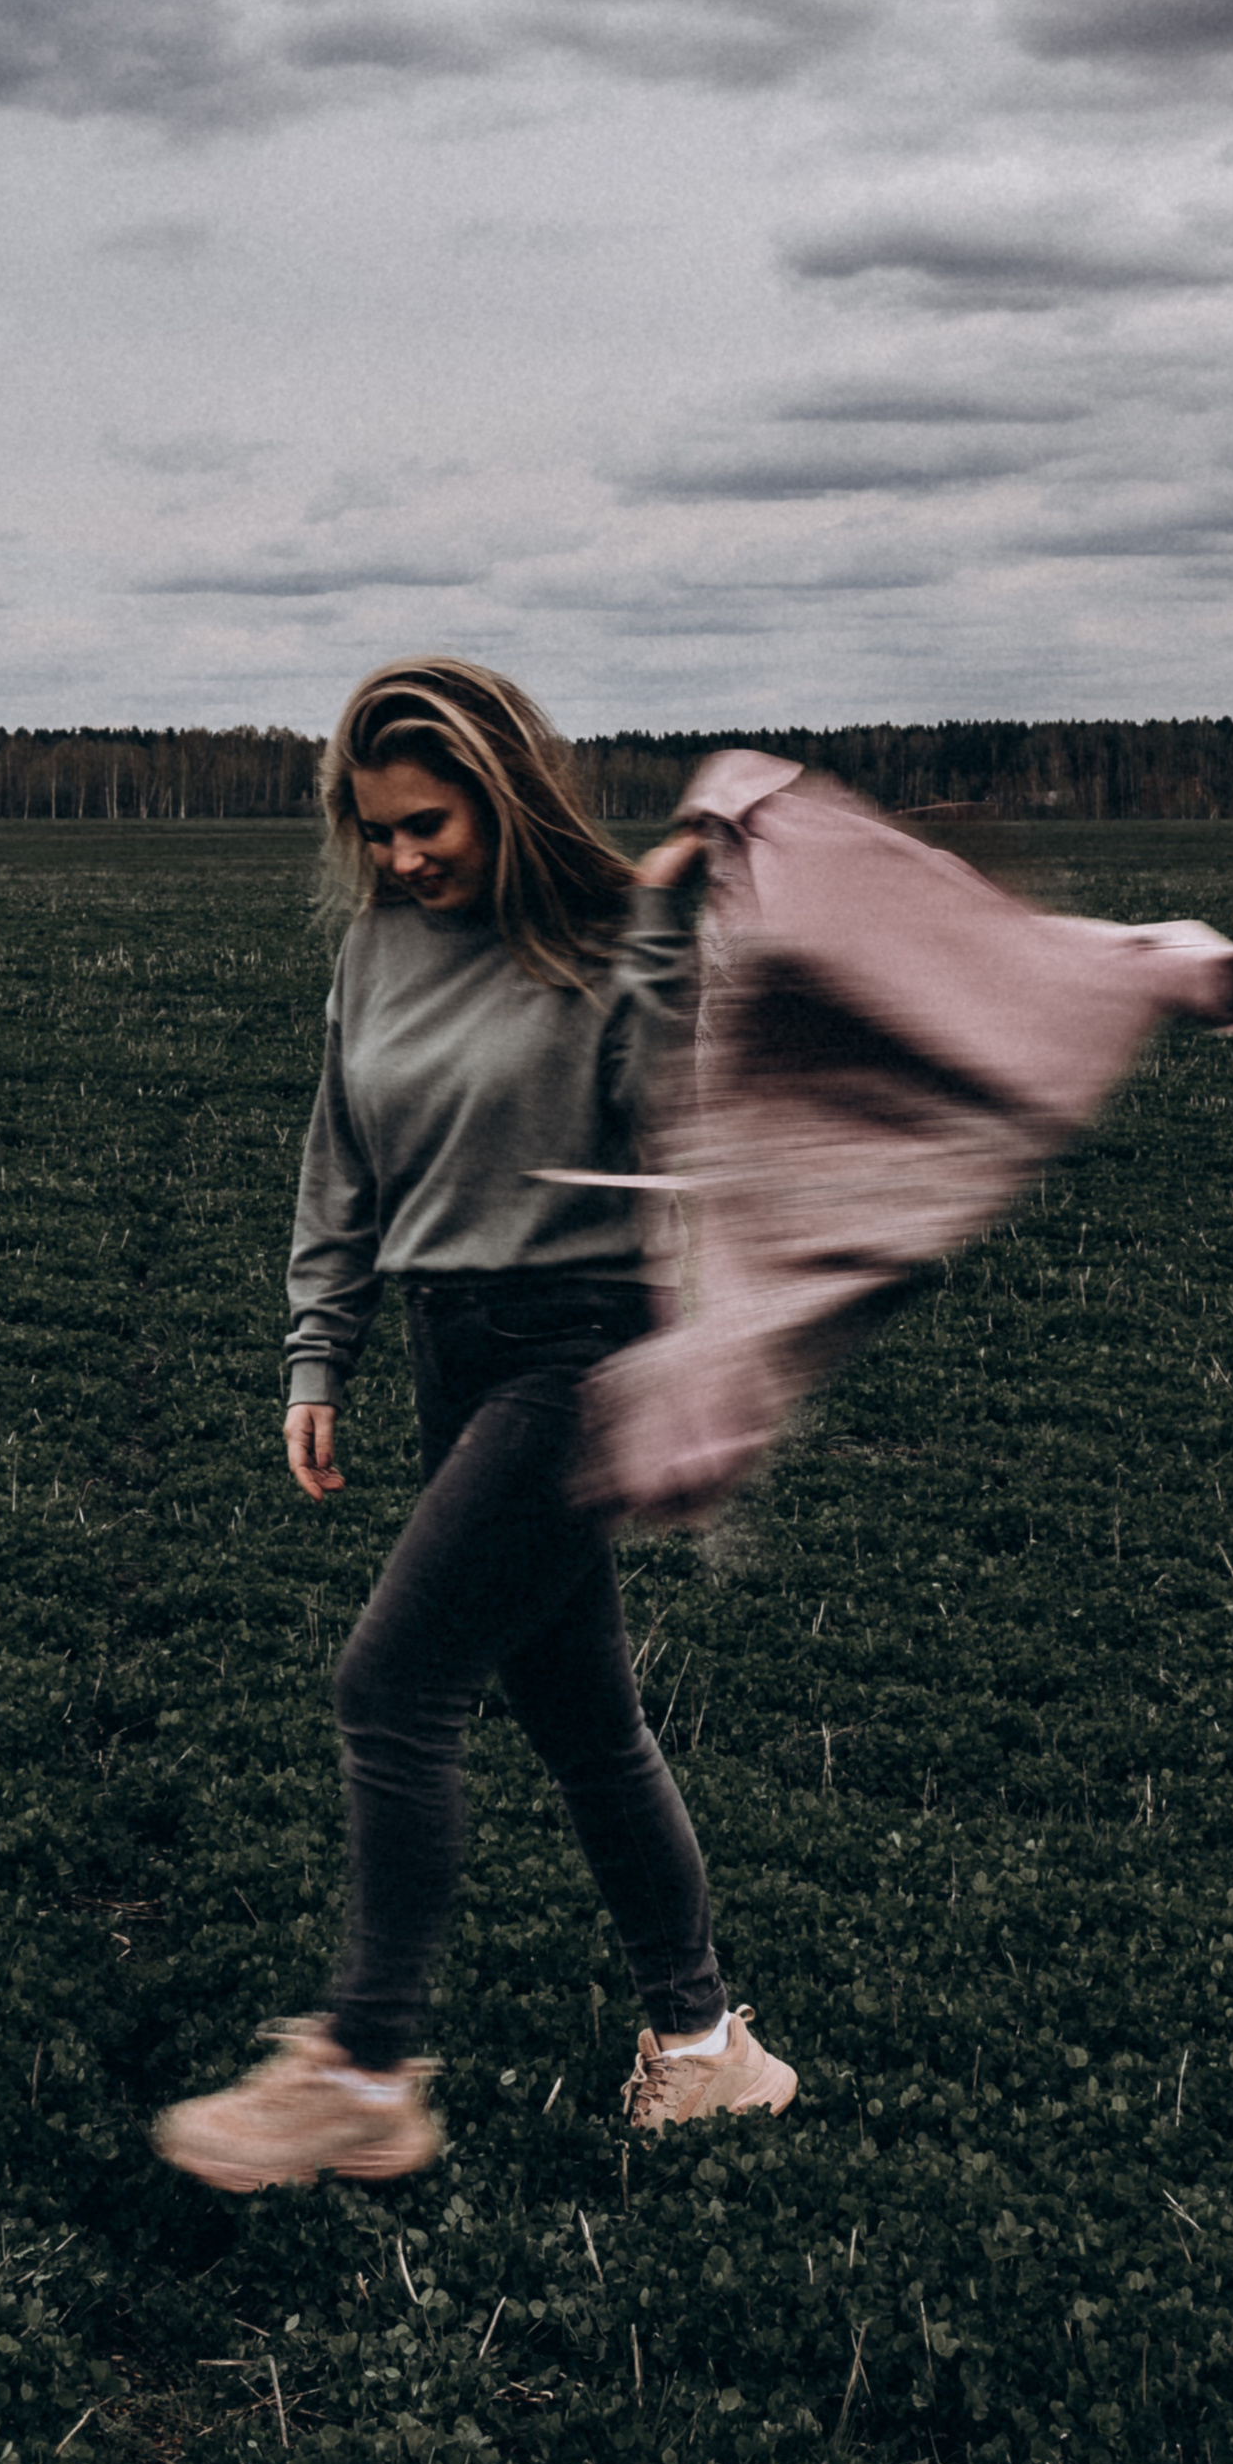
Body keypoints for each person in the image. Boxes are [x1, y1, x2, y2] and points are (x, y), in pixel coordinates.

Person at [153, 657, 794, 2196]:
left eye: (426, 823)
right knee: (584, 1720)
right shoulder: (375, 950)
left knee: (394, 1682)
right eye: (374, 831)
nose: (400, 857)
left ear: (502, 793)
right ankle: (708, 2053)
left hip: (581, 1357)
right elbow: (343, 1166)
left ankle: (366, 2067)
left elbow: (694, 1140)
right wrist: (320, 1357)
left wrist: (687, 933)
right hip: (456, 1354)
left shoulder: (614, 939)